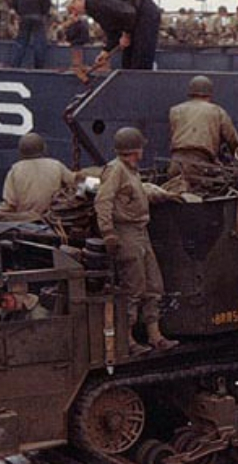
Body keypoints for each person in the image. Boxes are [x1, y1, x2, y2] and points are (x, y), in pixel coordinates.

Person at [96, 127, 179, 354]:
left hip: (141, 231)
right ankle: (128, 341)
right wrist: (108, 233)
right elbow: (103, 201)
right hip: (126, 233)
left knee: (154, 285)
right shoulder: (116, 170)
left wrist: (164, 194)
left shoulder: (130, 170)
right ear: (135, 149)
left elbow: (138, 192)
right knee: (133, 288)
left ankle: (155, 336)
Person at [167, 75, 238, 191]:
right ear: (209, 94)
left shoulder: (175, 111)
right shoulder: (217, 111)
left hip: (175, 164)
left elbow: (174, 136)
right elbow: (234, 142)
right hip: (200, 166)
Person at [0, 133, 75, 220]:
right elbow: (76, 183)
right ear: (44, 148)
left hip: (25, 221)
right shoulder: (56, 165)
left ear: (20, 152)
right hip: (53, 220)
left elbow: (10, 204)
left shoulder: (15, 170)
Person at [68, 0, 162, 70]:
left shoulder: (96, 3)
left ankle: (141, 90)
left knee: (140, 62)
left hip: (144, 15)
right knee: (128, 63)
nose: (74, 13)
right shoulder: (92, 10)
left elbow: (128, 14)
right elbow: (112, 30)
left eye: (73, 8)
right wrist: (106, 51)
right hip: (136, 18)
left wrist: (126, 34)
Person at [11, 0, 50, 67]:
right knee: (39, 42)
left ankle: (15, 64)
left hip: (24, 16)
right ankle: (39, 66)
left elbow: (14, 3)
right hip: (38, 15)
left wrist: (19, 12)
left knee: (21, 42)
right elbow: (46, 3)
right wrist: (44, 12)